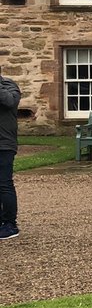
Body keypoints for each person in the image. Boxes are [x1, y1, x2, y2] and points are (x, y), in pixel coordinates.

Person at [0, 71, 20, 240]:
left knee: (4, 184)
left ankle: (10, 224)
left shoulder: (9, 86)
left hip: (4, 144)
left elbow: (9, 102)